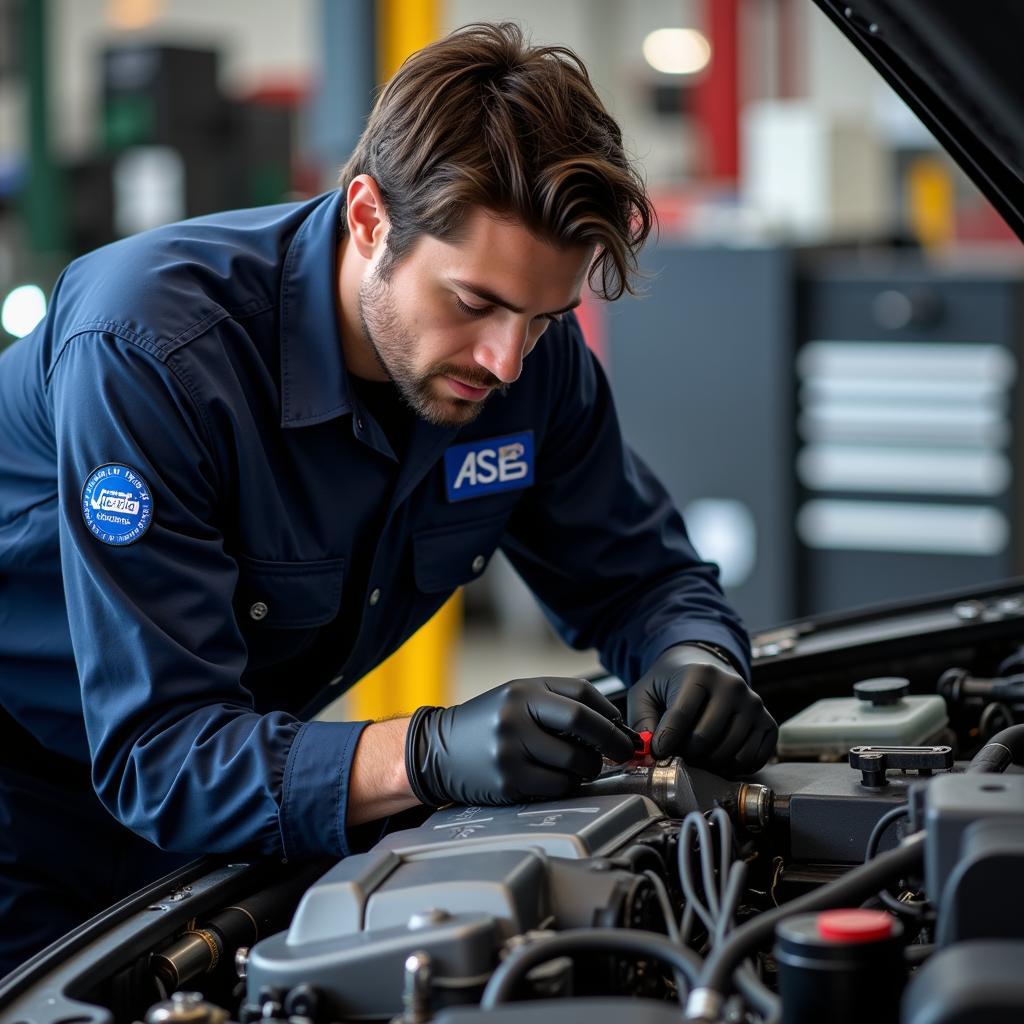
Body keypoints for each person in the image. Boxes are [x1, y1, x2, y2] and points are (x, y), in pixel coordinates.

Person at [0, 22, 776, 974]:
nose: (507, 359)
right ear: (368, 216)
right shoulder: (152, 352)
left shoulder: (528, 361)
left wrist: (696, 654)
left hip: (234, 786)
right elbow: (161, 753)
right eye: (475, 302)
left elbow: (643, 576)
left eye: (545, 315)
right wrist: (423, 753)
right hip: (27, 802)